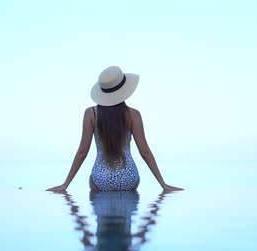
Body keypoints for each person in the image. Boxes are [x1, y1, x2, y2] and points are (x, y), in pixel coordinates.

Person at [47, 66, 183, 192]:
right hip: (129, 179)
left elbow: (82, 152)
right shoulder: (133, 115)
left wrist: (65, 185)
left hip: (101, 180)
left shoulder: (91, 114)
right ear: (124, 89)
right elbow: (145, 152)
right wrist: (163, 184)